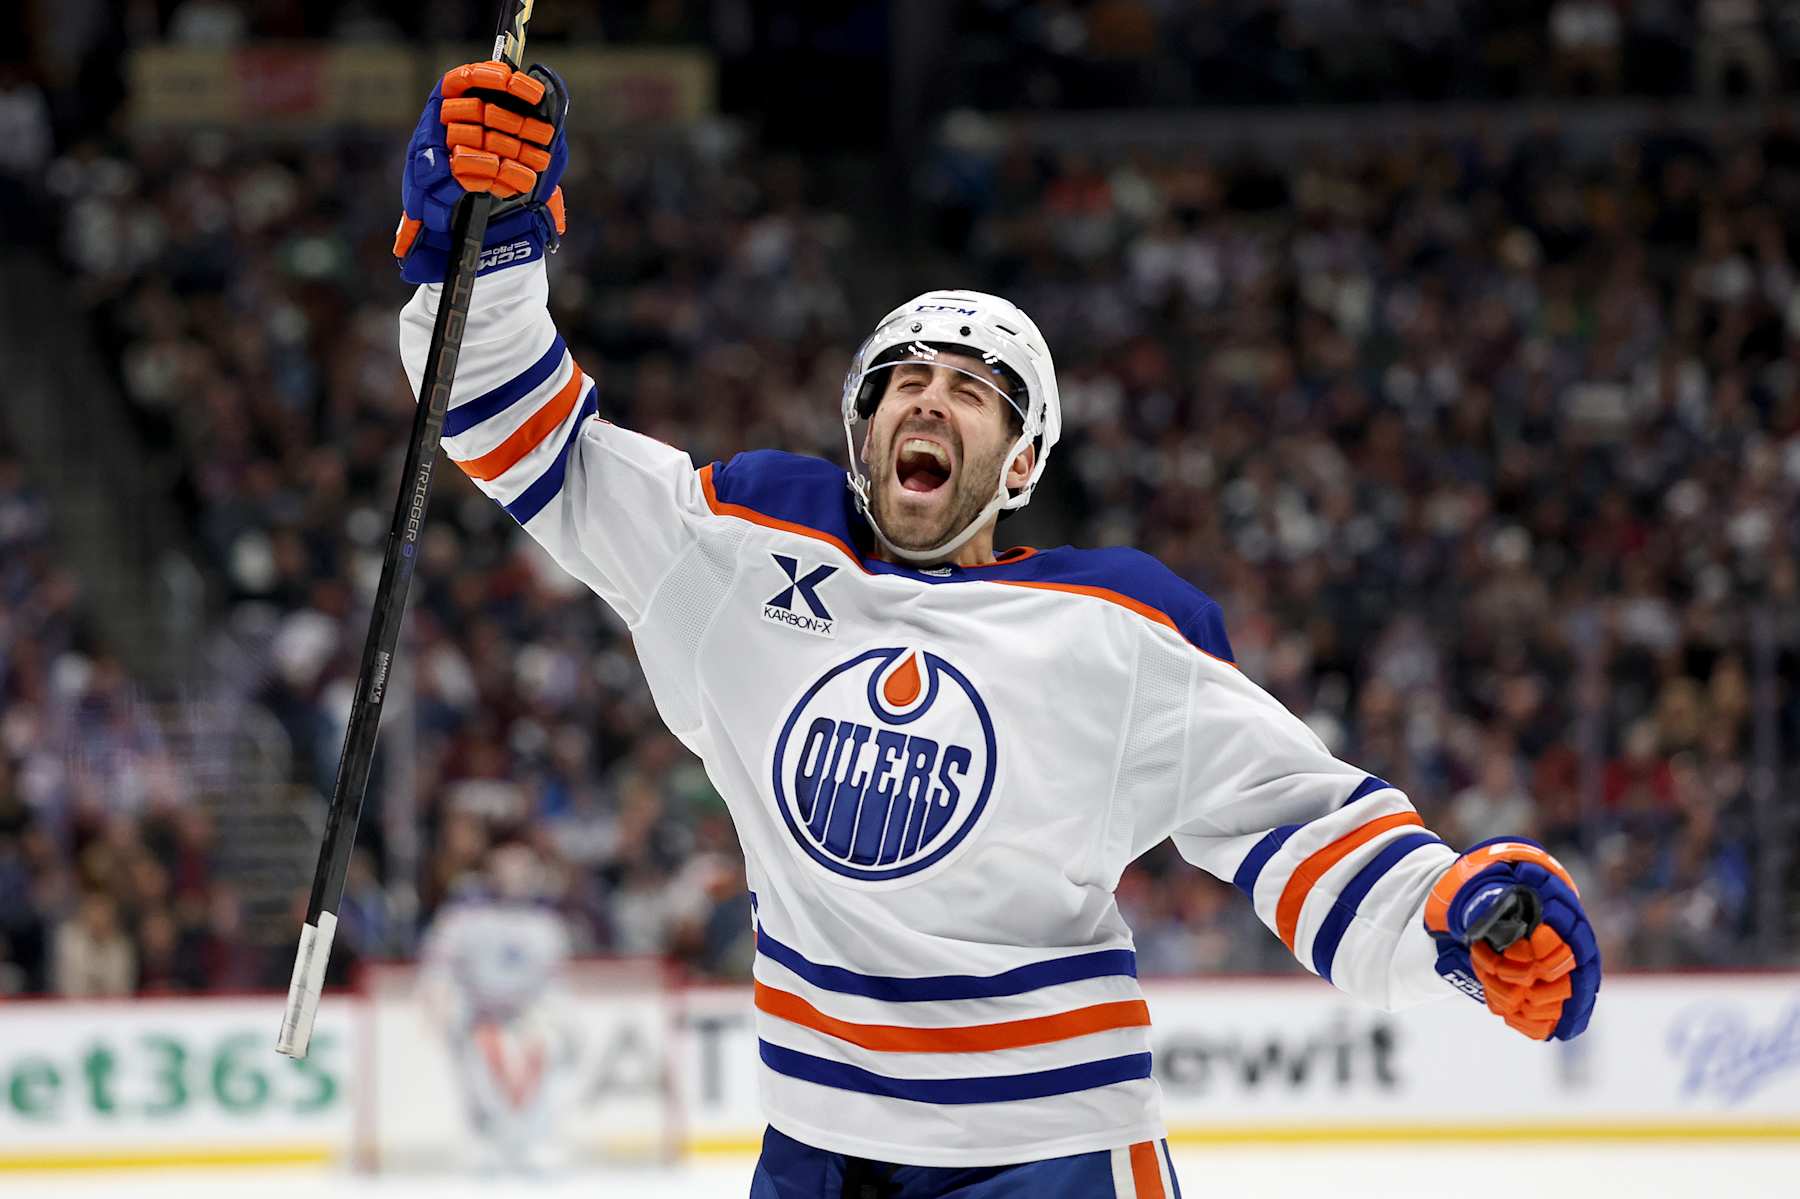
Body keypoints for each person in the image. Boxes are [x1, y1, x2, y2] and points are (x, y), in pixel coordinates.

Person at [392, 61, 1602, 1198]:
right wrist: (483, 248)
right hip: (817, 1152)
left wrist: (1454, 912)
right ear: (861, 429)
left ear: (1020, 460)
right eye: (903, 380)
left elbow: (1295, 820)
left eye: (973, 391)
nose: (931, 398)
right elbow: (517, 427)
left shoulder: (1117, 627)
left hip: (1052, 1159)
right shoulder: (738, 552)